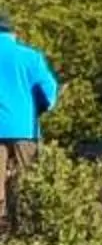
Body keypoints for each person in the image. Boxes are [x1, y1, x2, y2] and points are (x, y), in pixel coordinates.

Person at [0, 12, 59, 232]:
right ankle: (25, 231)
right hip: (24, 128)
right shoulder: (30, 57)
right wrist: (39, 110)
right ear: (13, 33)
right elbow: (49, 92)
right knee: (27, 182)